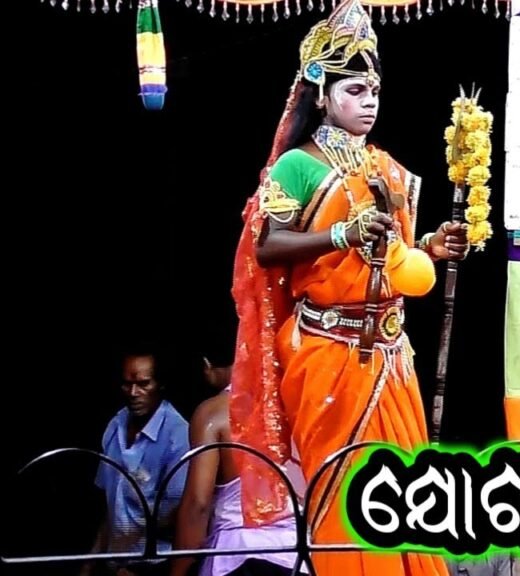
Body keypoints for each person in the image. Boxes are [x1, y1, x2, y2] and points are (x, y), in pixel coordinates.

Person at [228, 1, 466, 574]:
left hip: (390, 353)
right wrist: (341, 233)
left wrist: (431, 246)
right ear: (321, 92)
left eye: (374, 92)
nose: (369, 102)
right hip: (329, 352)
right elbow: (268, 246)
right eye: (355, 90)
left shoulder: (385, 166)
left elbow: (392, 257)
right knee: (346, 501)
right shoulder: (296, 166)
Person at [171, 347, 306, 576]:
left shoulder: (213, 413)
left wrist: (178, 570)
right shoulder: (298, 406)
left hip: (237, 556)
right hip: (298, 555)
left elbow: (198, 505)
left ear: (207, 365)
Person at [84, 349, 191, 576]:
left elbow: (177, 513)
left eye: (143, 384)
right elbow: (110, 507)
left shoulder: (177, 435)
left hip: (154, 564)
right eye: (127, 384)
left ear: (160, 385)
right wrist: (89, 565)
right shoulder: (116, 425)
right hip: (114, 562)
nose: (134, 393)